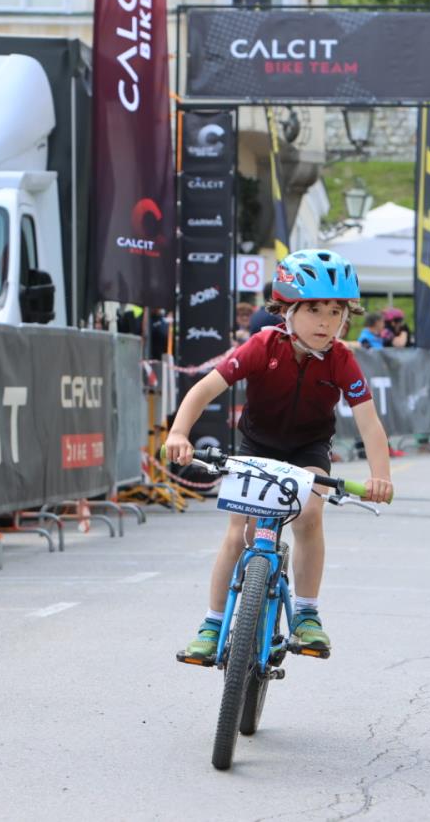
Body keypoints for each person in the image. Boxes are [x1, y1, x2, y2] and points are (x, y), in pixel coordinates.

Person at [166, 249, 394, 659]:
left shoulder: (342, 360)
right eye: (314, 310)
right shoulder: (262, 345)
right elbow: (203, 389)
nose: (325, 322)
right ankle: (212, 624)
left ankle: (306, 614)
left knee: (310, 516)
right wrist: (179, 432)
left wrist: (381, 477)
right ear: (287, 310)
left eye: (336, 312)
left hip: (308, 448)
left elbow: (369, 422)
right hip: (258, 445)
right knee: (240, 533)